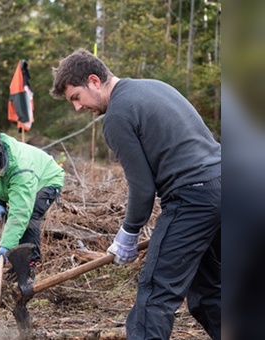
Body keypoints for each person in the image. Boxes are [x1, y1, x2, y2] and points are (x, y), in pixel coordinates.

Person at [50, 48, 221, 339]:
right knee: (210, 292)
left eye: (76, 97)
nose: (77, 108)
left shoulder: (117, 114)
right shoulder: (154, 87)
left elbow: (142, 188)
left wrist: (128, 232)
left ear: (93, 80)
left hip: (193, 196)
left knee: (155, 295)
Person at [0, 128, 64, 281]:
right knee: (16, 222)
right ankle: (19, 264)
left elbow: (20, 212)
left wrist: (6, 245)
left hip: (47, 179)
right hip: (21, 182)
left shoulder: (20, 169)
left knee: (30, 215)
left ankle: (29, 265)